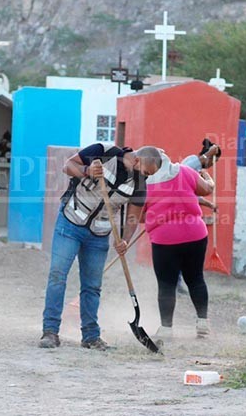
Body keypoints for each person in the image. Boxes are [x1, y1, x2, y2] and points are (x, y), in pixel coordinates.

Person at [39, 144, 162, 351]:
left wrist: (124, 240)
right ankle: (50, 332)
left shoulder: (139, 184)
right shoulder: (104, 152)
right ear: (138, 161)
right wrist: (86, 171)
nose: (147, 178)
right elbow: (67, 165)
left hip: (99, 235)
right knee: (58, 276)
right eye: (147, 173)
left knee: (92, 286)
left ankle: (90, 336)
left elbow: (133, 215)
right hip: (70, 223)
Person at [144, 152, 216, 343]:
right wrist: (209, 179)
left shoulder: (144, 183)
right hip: (195, 234)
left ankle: (166, 329)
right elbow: (206, 189)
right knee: (196, 279)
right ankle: (203, 323)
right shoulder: (184, 171)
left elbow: (138, 210)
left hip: (164, 239)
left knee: (166, 284)